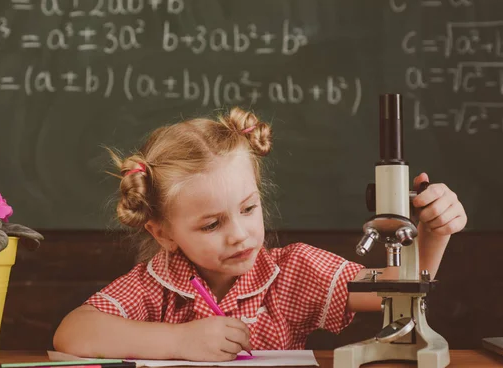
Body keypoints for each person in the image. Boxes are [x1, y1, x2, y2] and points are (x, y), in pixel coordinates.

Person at [53, 107, 467, 361]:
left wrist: (434, 233)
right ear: (163, 234)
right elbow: (73, 333)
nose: (239, 235)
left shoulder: (295, 271)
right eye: (212, 224)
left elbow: (399, 289)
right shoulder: (152, 285)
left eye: (249, 209)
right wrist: (180, 340)